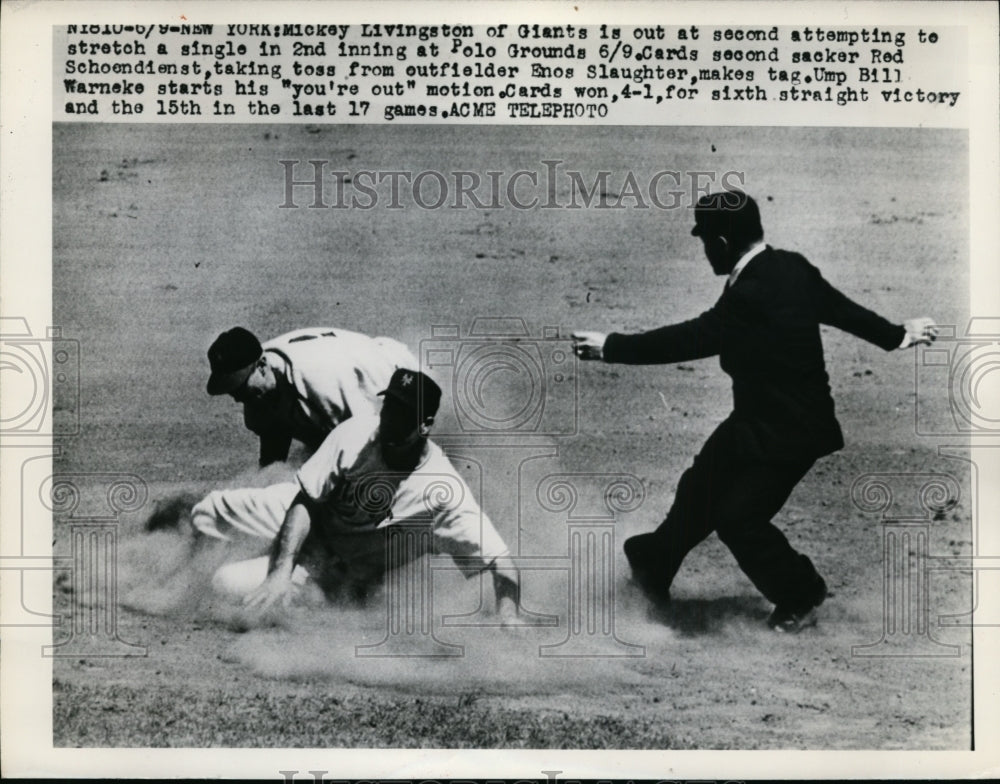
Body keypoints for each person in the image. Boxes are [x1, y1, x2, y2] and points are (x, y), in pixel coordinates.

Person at [572, 189, 939, 633]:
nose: (706, 251)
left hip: (789, 435)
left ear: (722, 244)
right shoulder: (792, 266)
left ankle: (800, 593)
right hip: (760, 421)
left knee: (738, 518)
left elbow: (691, 338)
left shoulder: (749, 294)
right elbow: (841, 309)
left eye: (706, 241)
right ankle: (652, 562)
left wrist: (611, 347)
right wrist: (896, 335)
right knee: (699, 489)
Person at [203, 369, 522, 626]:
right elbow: (306, 503)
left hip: (329, 572)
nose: (391, 418)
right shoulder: (355, 433)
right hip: (303, 527)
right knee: (209, 509)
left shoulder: (441, 491)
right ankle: (183, 554)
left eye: (404, 412)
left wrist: (508, 616)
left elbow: (501, 561)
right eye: (390, 406)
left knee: (225, 583)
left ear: (425, 425)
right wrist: (278, 573)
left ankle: (321, 610)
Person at [206, 326, 418, 466]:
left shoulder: (319, 378)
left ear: (262, 366)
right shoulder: (260, 390)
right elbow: (273, 458)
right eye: (232, 391)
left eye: (240, 387)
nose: (237, 398)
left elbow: (365, 445)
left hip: (405, 381)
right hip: (350, 391)